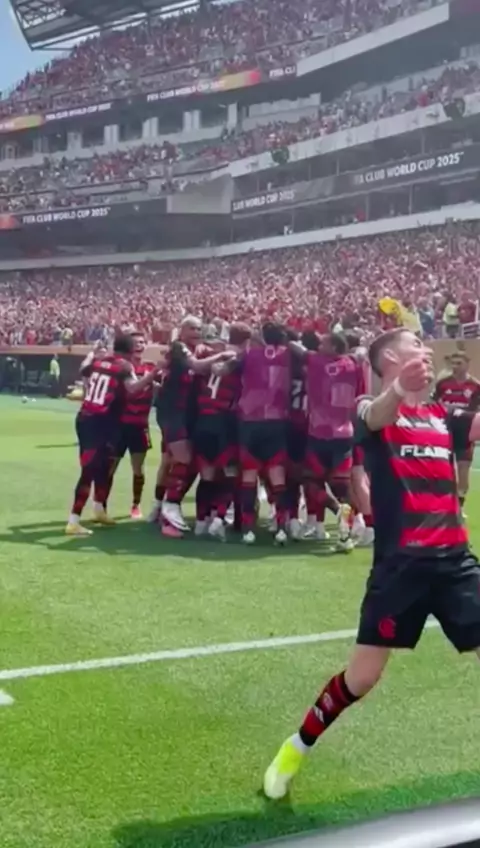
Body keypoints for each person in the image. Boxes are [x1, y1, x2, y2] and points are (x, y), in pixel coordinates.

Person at [263, 327, 480, 800]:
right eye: (414, 345)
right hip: (400, 569)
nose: (425, 350)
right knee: (361, 679)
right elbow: (378, 413)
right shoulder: (369, 410)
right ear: (388, 361)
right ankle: (295, 748)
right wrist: (399, 388)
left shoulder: (444, 416)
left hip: (455, 564)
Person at [65, 333, 161, 537]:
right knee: (89, 471)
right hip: (99, 421)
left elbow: (84, 369)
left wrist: (91, 353)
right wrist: (152, 375)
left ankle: (99, 509)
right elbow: (133, 389)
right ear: (129, 350)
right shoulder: (124, 366)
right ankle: (73, 520)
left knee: (104, 466)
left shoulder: (100, 361)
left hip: (90, 419)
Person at [290, 331, 364, 551]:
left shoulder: (317, 361)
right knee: (342, 487)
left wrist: (285, 339)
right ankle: (345, 536)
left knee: (310, 480)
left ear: (334, 348)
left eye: (324, 343)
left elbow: (295, 347)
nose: (320, 346)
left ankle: (335, 510)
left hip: (319, 433)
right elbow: (361, 353)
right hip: (345, 434)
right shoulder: (351, 363)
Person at [235, 322, 292, 546]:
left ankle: (248, 530)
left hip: (251, 420)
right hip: (277, 421)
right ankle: (281, 529)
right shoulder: (289, 354)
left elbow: (227, 367)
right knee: (277, 475)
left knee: (249, 474)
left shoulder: (249, 353)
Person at [193, 323, 251, 541]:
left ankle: (201, 521)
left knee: (207, 474)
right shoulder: (240, 359)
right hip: (224, 422)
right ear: (247, 341)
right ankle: (218, 519)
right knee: (230, 473)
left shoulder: (212, 354)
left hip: (203, 420)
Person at [114, 332, 156, 519]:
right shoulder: (122, 368)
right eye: (136, 342)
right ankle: (101, 504)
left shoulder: (150, 367)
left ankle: (136, 505)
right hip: (119, 425)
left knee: (138, 468)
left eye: (142, 342)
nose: (140, 345)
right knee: (110, 466)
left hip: (140, 425)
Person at [433, 350, 480, 511]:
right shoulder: (443, 384)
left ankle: (460, 505)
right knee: (443, 468)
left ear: (467, 364)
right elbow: (433, 404)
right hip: (444, 430)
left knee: (463, 468)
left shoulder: (475, 386)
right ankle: (445, 502)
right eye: (453, 363)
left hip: (465, 433)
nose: (455, 366)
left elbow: (477, 411)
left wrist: (462, 413)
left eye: (459, 363)